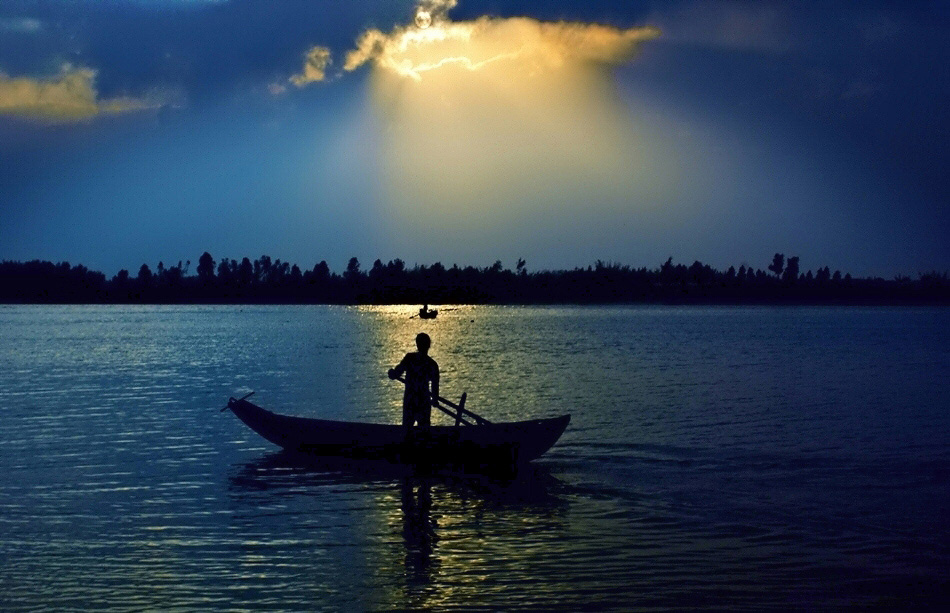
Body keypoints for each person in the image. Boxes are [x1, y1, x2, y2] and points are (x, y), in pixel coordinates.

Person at [388, 333, 440, 432]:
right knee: (424, 431)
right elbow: (435, 386)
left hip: (410, 400)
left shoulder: (409, 358)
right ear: (429, 345)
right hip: (423, 401)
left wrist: (392, 373)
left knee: (407, 430)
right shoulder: (432, 364)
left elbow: (396, 373)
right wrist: (435, 399)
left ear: (417, 345)